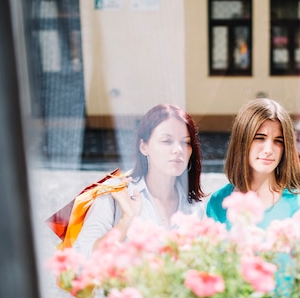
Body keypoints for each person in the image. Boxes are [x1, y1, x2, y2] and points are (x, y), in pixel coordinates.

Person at [73, 104, 205, 259]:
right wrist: (125, 221)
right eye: (166, 141)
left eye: (186, 142)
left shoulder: (195, 206)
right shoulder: (116, 194)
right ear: (144, 147)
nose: (178, 149)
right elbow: (80, 262)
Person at [206, 98, 300, 230]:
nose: (269, 150)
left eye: (278, 141)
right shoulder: (219, 202)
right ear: (242, 140)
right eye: (260, 138)